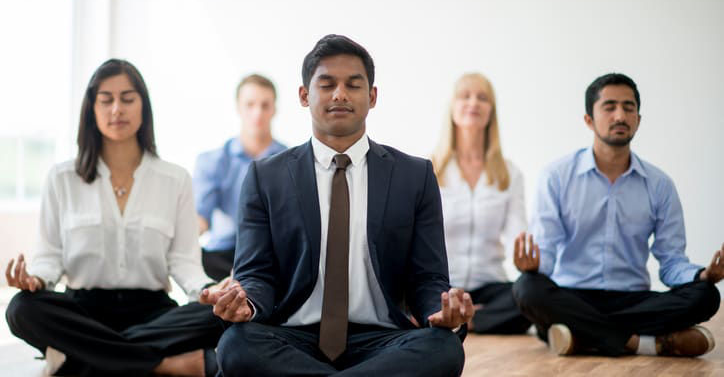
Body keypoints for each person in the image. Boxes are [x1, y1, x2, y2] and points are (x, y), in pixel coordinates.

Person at [201, 34, 473, 376]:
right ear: (304, 95)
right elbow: (256, 274)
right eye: (327, 84)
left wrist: (441, 309)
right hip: (292, 335)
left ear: (372, 97)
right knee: (237, 345)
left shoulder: (414, 176)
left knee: (444, 348)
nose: (340, 94)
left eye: (353, 85)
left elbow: (428, 276)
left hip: (382, 339)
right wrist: (247, 305)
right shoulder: (265, 177)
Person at [4, 59, 226, 376]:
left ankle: (77, 361)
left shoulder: (175, 179)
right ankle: (163, 365)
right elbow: (49, 256)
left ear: (143, 106)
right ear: (92, 109)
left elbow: (185, 262)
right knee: (21, 309)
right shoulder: (62, 177)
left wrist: (209, 290)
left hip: (152, 312)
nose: (116, 109)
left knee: (218, 315)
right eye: (106, 100)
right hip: (83, 311)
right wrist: (35, 279)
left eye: (127, 98)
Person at [512, 73, 722, 357]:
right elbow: (546, 253)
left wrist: (702, 274)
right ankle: (646, 343)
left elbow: (671, 261)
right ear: (589, 119)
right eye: (609, 107)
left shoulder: (659, 184)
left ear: (638, 119)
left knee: (706, 295)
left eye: (628, 107)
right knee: (527, 289)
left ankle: (581, 336)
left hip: (632, 300)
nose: (620, 115)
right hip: (574, 295)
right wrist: (533, 268)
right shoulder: (557, 177)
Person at [431, 73, 531, 334]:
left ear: (491, 112)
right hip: (442, 285)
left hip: (491, 287)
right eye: (465, 96)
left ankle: (466, 320)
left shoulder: (509, 173)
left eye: (482, 98)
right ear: (452, 108)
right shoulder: (428, 169)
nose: (473, 103)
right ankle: (465, 316)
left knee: (531, 296)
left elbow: (517, 235)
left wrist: (526, 261)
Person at [193, 74, 286, 281]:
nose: (257, 113)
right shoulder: (212, 161)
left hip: (269, 258)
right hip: (221, 258)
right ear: (238, 108)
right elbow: (200, 219)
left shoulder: (290, 162)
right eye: (250, 105)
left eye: (265, 105)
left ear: (274, 109)